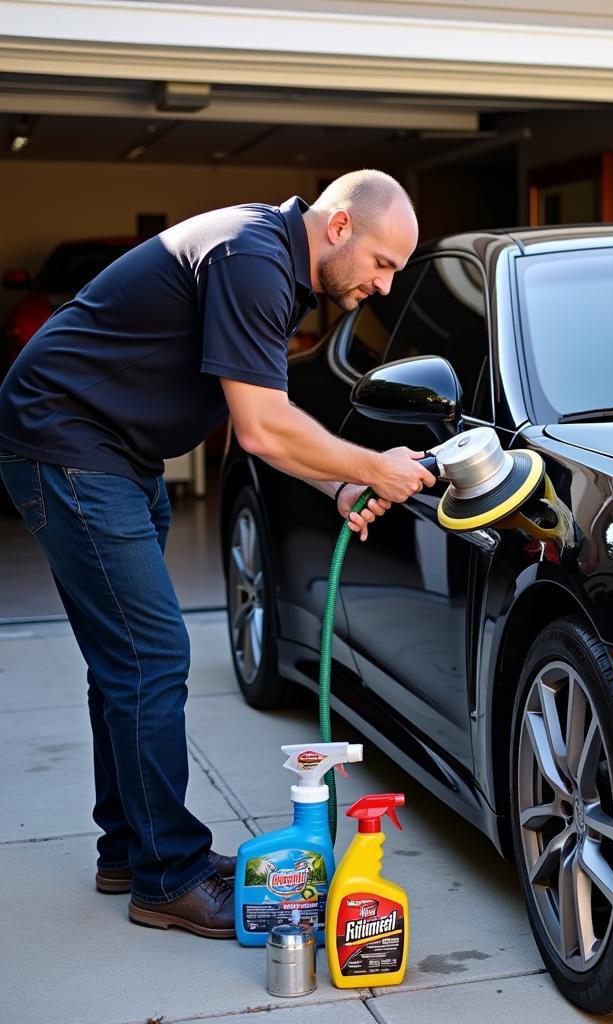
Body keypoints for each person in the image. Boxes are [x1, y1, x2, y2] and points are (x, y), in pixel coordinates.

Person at [0, 170, 435, 938]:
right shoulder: (251, 256)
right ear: (339, 227)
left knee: (127, 662)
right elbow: (265, 427)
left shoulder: (275, 263)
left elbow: (257, 415)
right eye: (382, 263)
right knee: (152, 656)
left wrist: (334, 486)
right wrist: (370, 467)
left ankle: (132, 853)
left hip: (120, 456)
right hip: (69, 444)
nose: (384, 284)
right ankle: (169, 877)